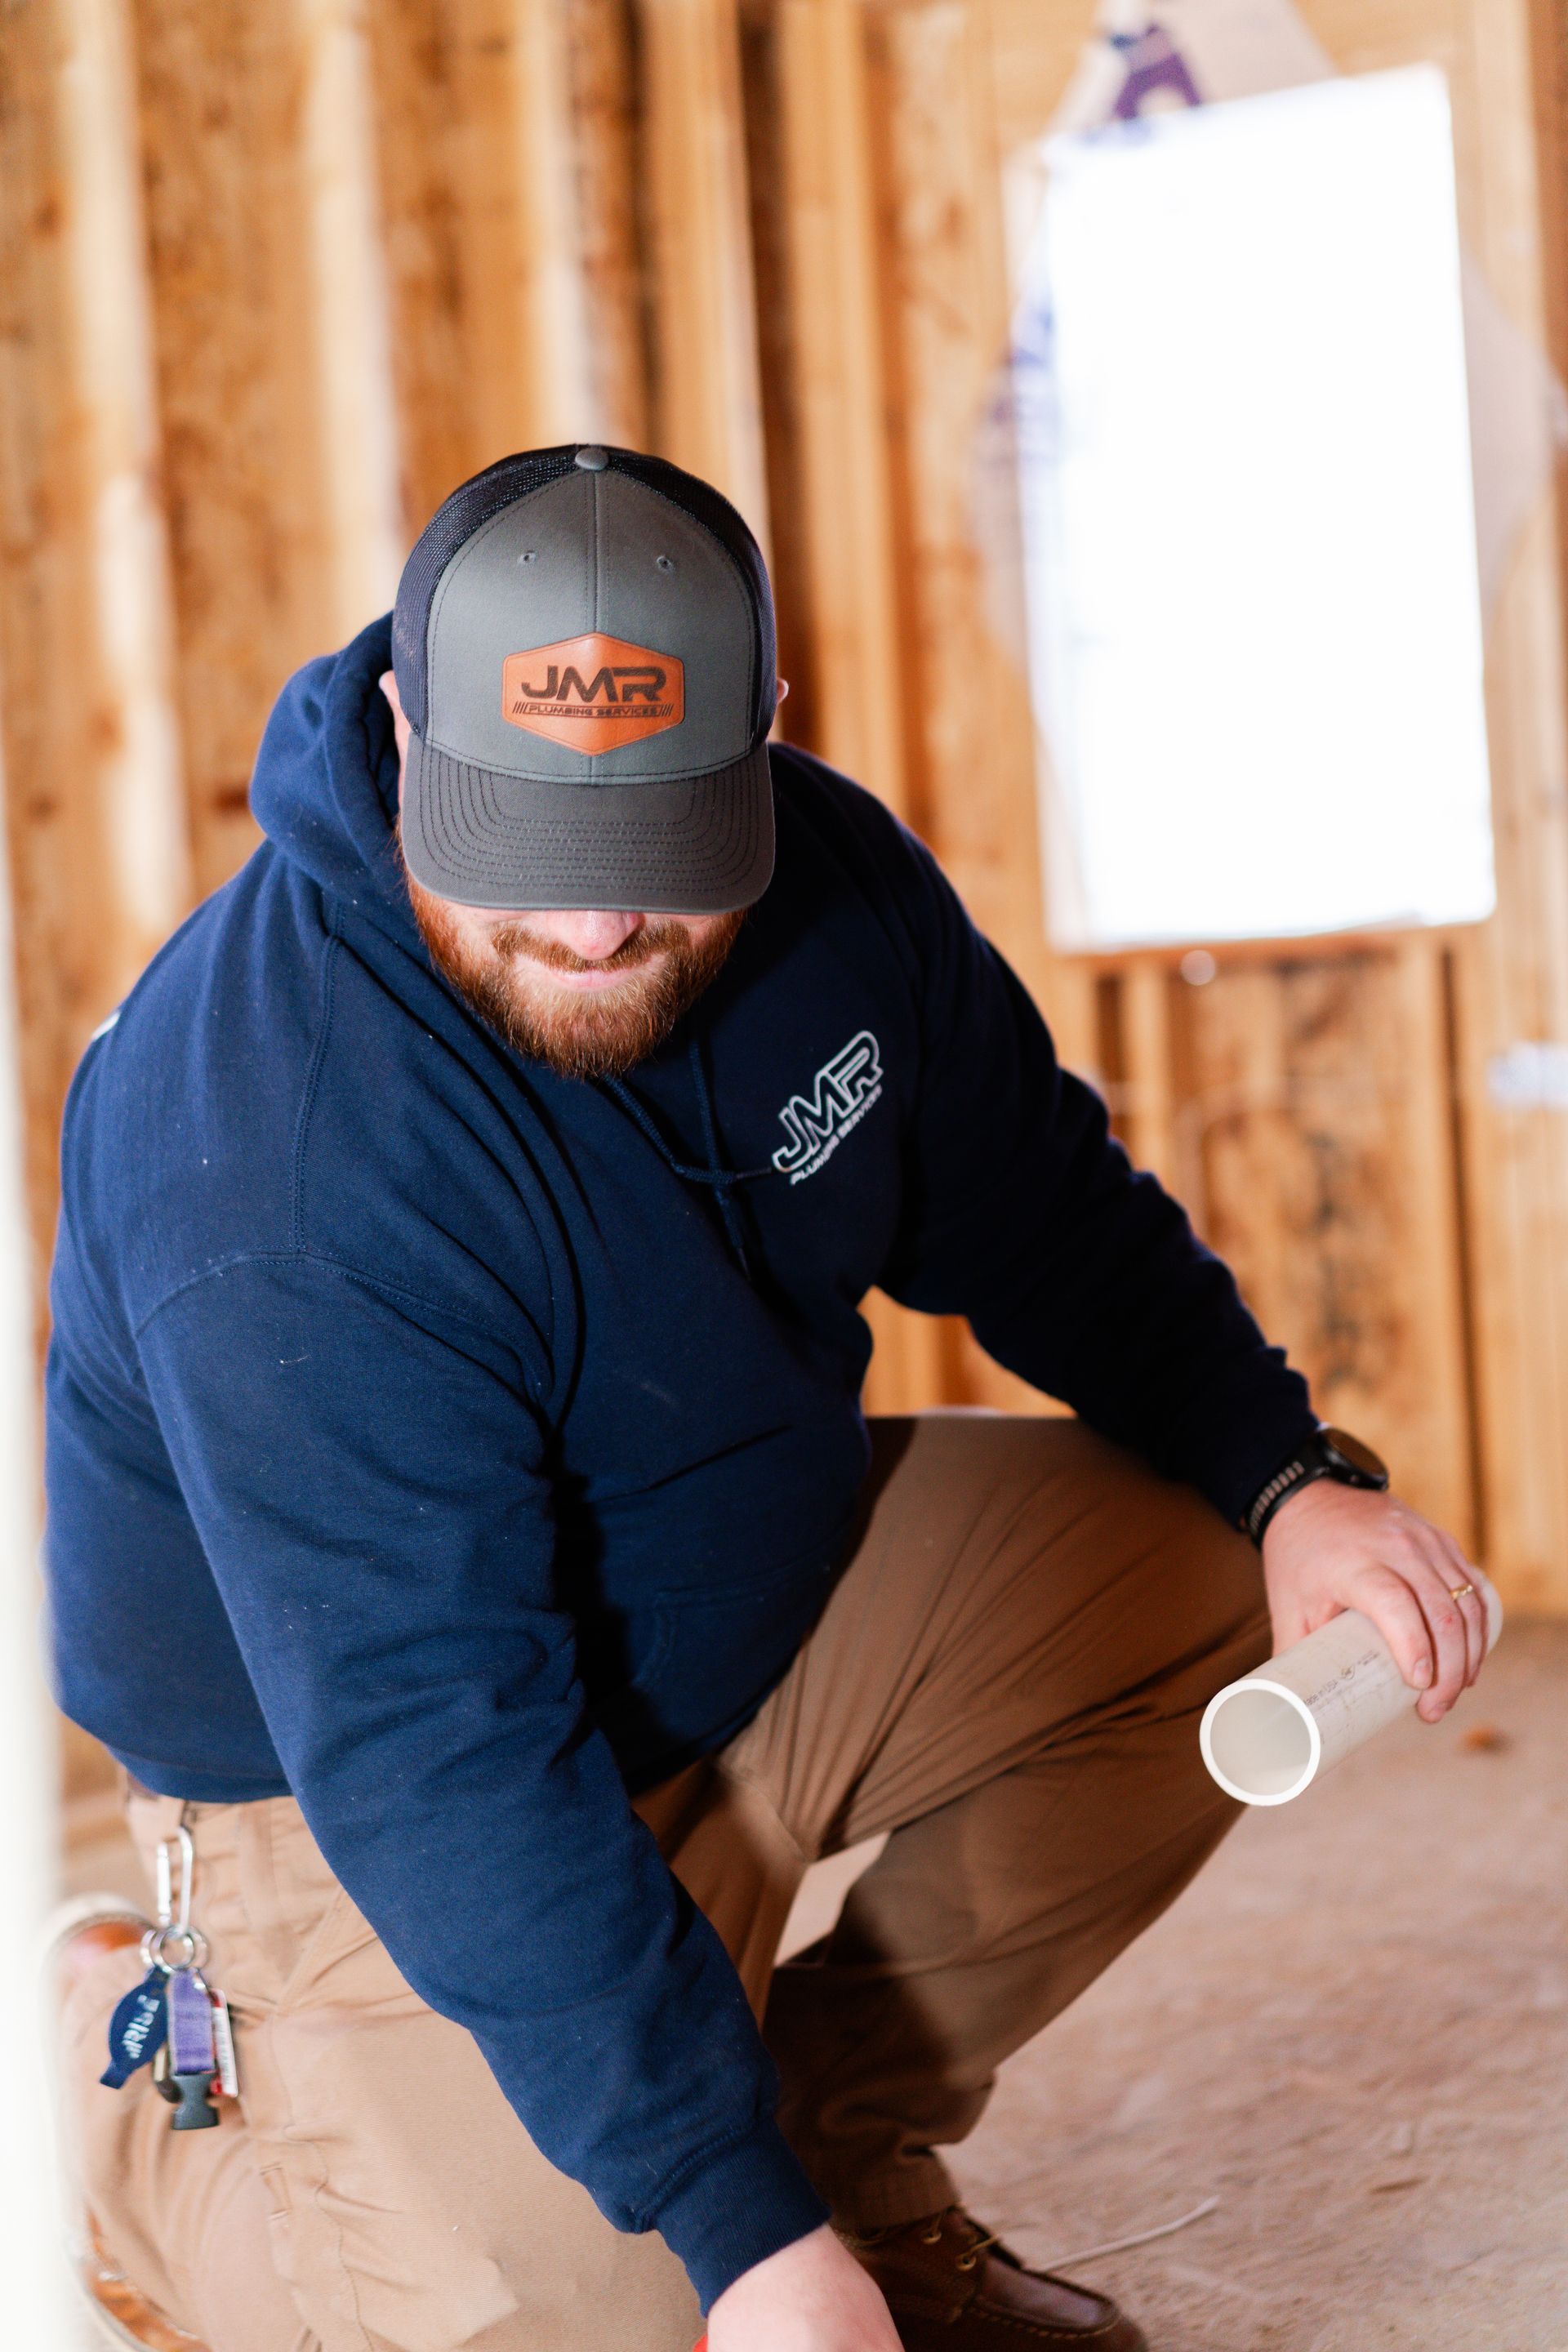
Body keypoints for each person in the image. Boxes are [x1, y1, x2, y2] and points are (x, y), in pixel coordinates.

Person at [46, 446, 1490, 2352]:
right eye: (525, 860)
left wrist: (1288, 1478)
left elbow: (1046, 1208)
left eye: (647, 861)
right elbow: (429, 1738)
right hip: (350, 1799)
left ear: (762, 735)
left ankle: (845, 2140)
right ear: (407, 727)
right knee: (609, 2324)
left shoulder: (837, 888)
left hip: (738, 1622)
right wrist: (738, 2243)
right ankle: (124, 2100)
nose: (587, 934)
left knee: (1223, 1589)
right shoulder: (277, 1147)